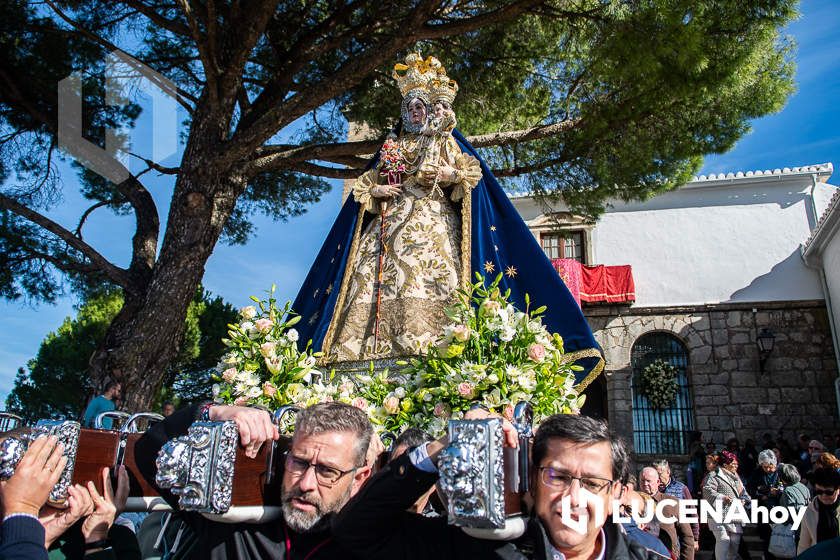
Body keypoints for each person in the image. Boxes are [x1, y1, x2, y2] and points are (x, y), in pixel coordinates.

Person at [292, 52, 603, 387]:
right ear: (403, 112)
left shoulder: (445, 140)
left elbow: (471, 176)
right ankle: (358, 365)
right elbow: (364, 188)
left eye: (420, 106)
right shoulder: (391, 147)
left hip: (433, 223)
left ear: (428, 109)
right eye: (409, 106)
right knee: (365, 282)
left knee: (439, 281)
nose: (415, 111)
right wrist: (378, 190)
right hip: (386, 228)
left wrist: (446, 172)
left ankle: (441, 359)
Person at [333, 411, 663, 559]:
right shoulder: (475, 548)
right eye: (558, 477)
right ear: (532, 479)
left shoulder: (650, 557)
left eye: (591, 483)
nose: (572, 498)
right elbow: (357, 531)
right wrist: (441, 448)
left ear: (616, 494)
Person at [134, 401, 374, 559]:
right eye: (299, 462)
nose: (306, 483)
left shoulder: (368, 547)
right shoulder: (235, 522)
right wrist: (216, 412)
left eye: (327, 471)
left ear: (359, 479)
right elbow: (149, 453)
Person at [639, 466, 695, 559]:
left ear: (658, 482)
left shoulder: (672, 503)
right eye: (642, 480)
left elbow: (687, 536)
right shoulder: (632, 502)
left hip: (667, 555)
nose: (645, 484)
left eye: (648, 481)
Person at [702, 450, 748, 560]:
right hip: (718, 514)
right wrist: (722, 497)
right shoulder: (713, 475)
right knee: (723, 539)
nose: (735, 466)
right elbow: (707, 490)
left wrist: (744, 500)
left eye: (736, 464)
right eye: (733, 464)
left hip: (734, 514)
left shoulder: (736, 477)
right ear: (725, 465)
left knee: (735, 541)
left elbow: (744, 493)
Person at [652, 459, 699, 553]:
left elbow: (692, 513)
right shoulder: (650, 490)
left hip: (677, 536)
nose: (658, 478)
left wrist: (695, 538)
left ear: (668, 472)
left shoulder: (681, 488)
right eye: (655, 475)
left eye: (660, 474)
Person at [747, 449, 781, 559]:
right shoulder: (757, 473)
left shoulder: (781, 471)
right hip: (763, 509)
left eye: (770, 467)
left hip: (779, 508)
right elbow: (751, 488)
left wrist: (778, 491)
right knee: (767, 536)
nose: (768, 469)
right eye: (765, 467)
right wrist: (762, 494)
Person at [797, 467, 840, 554]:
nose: (824, 496)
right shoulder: (809, 511)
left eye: (829, 492)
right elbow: (804, 545)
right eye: (819, 491)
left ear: (838, 490)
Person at [619, 488, 670, 558]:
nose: (621, 511)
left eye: (629, 510)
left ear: (642, 524)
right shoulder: (656, 548)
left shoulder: (602, 530)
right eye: (619, 506)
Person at [778, 463, 810, 546]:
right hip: (806, 525)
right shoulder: (803, 487)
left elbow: (787, 514)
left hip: (795, 530)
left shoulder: (788, 491)